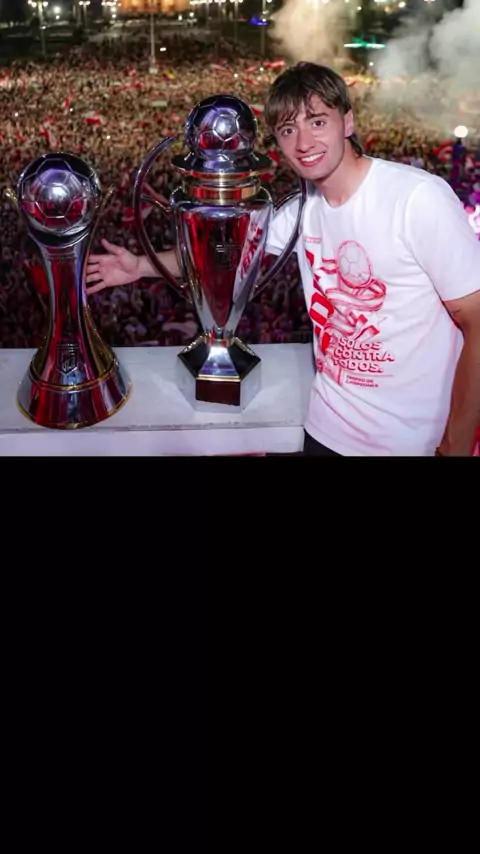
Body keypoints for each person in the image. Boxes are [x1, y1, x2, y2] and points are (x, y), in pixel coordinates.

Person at [86, 62, 480, 457]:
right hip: (327, 431)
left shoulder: (417, 198)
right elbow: (224, 256)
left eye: (317, 122)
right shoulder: (302, 210)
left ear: (347, 121)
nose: (304, 143)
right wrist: (140, 266)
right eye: (289, 130)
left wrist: (457, 445)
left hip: (414, 442)